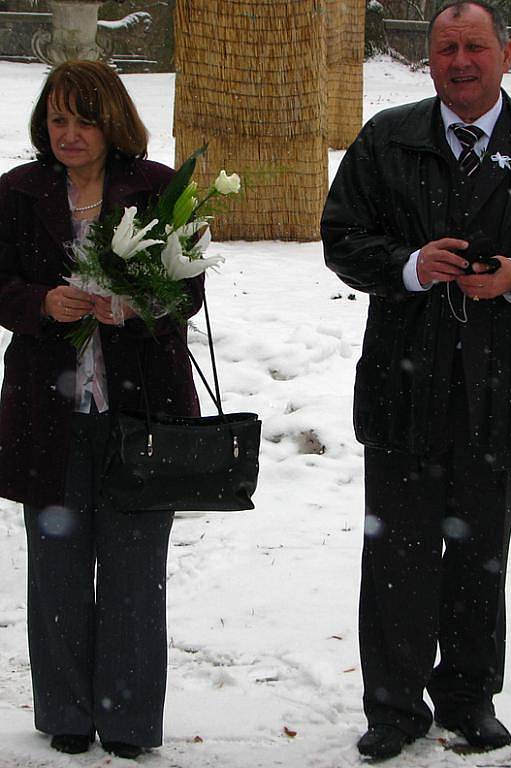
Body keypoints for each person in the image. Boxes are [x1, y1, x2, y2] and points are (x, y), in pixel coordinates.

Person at [322, 1, 511, 761]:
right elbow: (342, 236)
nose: (459, 62)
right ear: (426, 59)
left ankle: (468, 697)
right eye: (444, 49)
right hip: (406, 383)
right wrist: (408, 265)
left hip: (506, 382)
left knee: (479, 553)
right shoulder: (389, 138)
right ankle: (393, 707)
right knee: (396, 553)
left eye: (474, 47)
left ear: (506, 53)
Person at [0, 61, 204, 759]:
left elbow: (189, 293)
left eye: (84, 118)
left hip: (141, 414)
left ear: (112, 119)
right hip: (46, 413)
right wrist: (39, 304)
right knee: (56, 565)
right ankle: (65, 713)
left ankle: (127, 721)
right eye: (58, 119)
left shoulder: (154, 188)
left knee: (133, 572)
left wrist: (136, 308)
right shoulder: (18, 192)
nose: (70, 133)